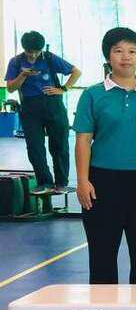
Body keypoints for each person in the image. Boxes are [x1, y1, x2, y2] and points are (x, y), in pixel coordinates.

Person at [73, 27, 136, 284]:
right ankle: (104, 307)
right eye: (118, 51)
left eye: (132, 51)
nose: (126, 57)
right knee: (102, 254)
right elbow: (83, 140)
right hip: (102, 184)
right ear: (108, 56)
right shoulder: (93, 95)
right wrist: (82, 180)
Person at [4, 30, 81, 194]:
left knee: (59, 145)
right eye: (29, 52)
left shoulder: (49, 58)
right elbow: (10, 88)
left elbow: (76, 72)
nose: (33, 55)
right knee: (35, 147)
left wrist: (63, 89)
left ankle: (61, 183)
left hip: (54, 106)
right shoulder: (16, 62)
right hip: (30, 109)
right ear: (24, 48)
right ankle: (45, 182)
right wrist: (22, 75)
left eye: (36, 51)